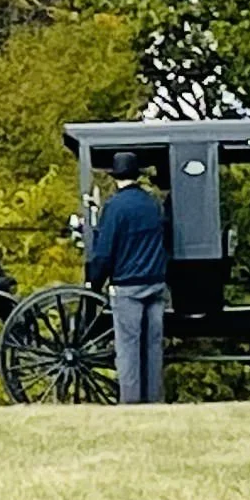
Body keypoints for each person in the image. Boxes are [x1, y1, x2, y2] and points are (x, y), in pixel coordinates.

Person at [85, 151, 168, 403]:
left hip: (128, 286)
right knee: (153, 347)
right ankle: (154, 400)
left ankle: (130, 403)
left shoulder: (114, 207)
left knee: (128, 348)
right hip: (155, 282)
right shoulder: (152, 203)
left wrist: (94, 282)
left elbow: (104, 251)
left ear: (114, 178)